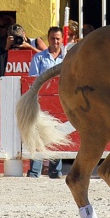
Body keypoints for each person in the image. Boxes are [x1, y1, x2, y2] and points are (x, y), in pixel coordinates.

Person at [27, 26, 65, 178]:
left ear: (62, 40)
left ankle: (55, 171)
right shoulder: (39, 58)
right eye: (52, 38)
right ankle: (35, 171)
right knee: (38, 134)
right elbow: (33, 80)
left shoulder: (68, 57)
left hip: (62, 100)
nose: (55, 42)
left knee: (60, 134)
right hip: (43, 100)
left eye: (57, 39)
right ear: (48, 39)